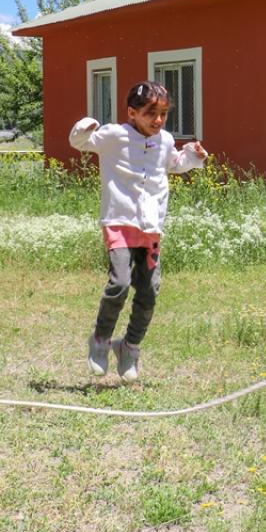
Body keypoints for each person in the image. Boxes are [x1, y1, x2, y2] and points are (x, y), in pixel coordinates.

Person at [70, 81, 208, 382]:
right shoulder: (114, 136)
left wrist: (193, 156)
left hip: (150, 227)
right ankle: (100, 340)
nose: (158, 120)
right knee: (119, 282)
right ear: (132, 113)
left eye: (163, 114)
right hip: (119, 221)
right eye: (150, 114)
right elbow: (81, 142)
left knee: (149, 290)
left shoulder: (165, 140)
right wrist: (86, 125)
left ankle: (129, 346)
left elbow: (174, 164)